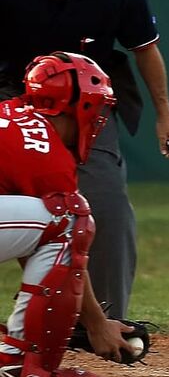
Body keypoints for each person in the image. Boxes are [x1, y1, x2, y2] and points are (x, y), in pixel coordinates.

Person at [0, 0, 169, 318]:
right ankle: (44, 304)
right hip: (13, 90)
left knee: (106, 201)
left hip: (87, 99)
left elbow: (145, 50)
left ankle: (106, 318)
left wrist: (165, 115)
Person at [0, 52, 138, 377]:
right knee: (70, 216)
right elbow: (66, 239)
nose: (98, 118)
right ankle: (28, 365)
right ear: (78, 105)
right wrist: (97, 324)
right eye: (96, 107)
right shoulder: (47, 153)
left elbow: (36, 244)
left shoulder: (10, 112)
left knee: (58, 223)